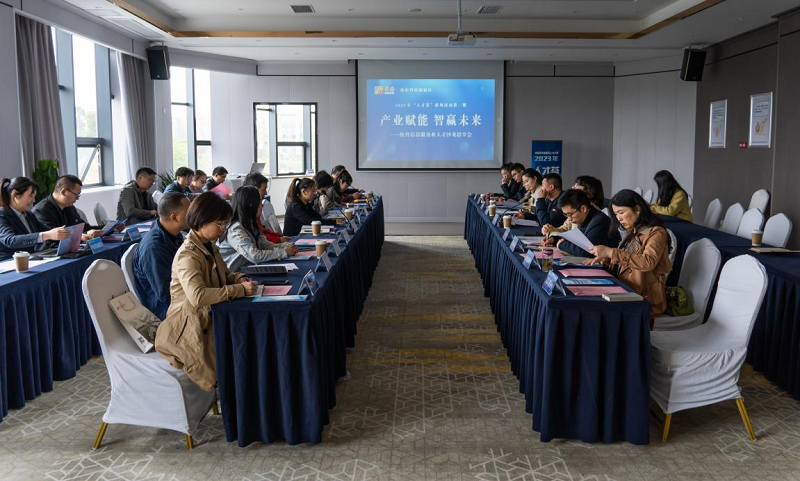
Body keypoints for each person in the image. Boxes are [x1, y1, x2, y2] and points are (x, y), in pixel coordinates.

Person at [155, 192, 259, 392]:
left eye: (225, 224)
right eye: (220, 224)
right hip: (192, 325)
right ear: (202, 221)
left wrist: (240, 279)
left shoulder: (209, 246)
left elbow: (225, 274)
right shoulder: (188, 255)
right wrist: (238, 290)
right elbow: (198, 296)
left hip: (211, 315)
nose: (223, 229)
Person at [587, 189, 671, 319]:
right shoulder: (633, 230)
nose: (619, 218)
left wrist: (611, 252)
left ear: (637, 209)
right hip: (627, 291)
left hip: (644, 299)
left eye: (621, 212)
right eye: (616, 214)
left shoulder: (657, 233)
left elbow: (647, 262)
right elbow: (627, 261)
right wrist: (608, 259)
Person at [132, 192, 190, 320]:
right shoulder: (154, 248)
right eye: (189, 211)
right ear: (174, 218)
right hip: (168, 312)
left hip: (183, 298)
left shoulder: (174, 235)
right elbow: (166, 294)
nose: (193, 214)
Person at [219, 186, 298, 271]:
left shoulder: (250, 223)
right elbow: (254, 256)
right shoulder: (236, 229)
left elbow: (265, 245)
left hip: (249, 269)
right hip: (236, 274)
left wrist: (286, 246)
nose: (262, 205)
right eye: (260, 201)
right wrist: (284, 252)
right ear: (251, 205)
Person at [0, 177, 70, 260]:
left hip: (29, 260)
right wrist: (46, 235)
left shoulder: (29, 215)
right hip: (9, 262)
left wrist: (65, 234)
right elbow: (10, 240)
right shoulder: (2, 215)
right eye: (31, 196)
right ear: (15, 194)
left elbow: (47, 231)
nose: (33, 200)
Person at [32, 174, 104, 241]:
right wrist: (80, 236)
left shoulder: (69, 207)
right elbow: (52, 239)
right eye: (76, 195)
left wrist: (104, 229)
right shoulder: (41, 211)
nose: (77, 199)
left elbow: (84, 228)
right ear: (63, 192)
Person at [552, 189, 620, 258]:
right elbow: (575, 240)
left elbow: (585, 251)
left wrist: (561, 245)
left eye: (570, 214)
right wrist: (554, 240)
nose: (569, 219)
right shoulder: (585, 218)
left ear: (583, 209)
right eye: (566, 215)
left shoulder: (600, 221)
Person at [242, 173, 290, 243]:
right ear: (254, 190)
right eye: (264, 189)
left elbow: (263, 231)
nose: (266, 193)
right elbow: (260, 238)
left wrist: (280, 236)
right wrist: (279, 239)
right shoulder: (248, 214)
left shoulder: (255, 211)